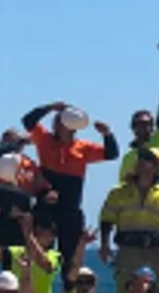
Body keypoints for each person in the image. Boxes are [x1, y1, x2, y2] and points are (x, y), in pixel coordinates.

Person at [21, 100, 118, 251]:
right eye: (57, 120)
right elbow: (28, 120)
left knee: (70, 257)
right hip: (46, 207)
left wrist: (107, 134)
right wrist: (51, 107)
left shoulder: (84, 148)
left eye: (60, 121)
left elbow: (111, 154)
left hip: (70, 209)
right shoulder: (44, 139)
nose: (56, 124)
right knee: (40, 253)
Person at [97, 146, 159, 293]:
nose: (141, 162)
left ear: (156, 166)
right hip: (128, 250)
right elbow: (106, 220)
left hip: (156, 251)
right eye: (140, 158)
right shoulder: (118, 192)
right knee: (125, 290)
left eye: (147, 159)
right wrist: (104, 244)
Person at [118, 42, 159, 199]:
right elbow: (122, 188)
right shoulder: (129, 158)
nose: (144, 127)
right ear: (133, 127)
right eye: (140, 124)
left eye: (148, 124)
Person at [0, 127, 44, 262]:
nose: (9, 142)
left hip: (16, 225)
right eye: (6, 138)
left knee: (15, 264)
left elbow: (40, 187)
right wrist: (16, 143)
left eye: (13, 139)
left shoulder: (30, 165)